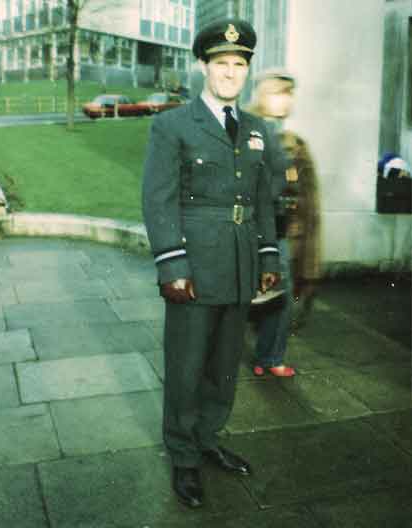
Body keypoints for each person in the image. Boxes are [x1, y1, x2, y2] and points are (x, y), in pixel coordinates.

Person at [142, 19, 289, 509]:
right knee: (186, 365)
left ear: (247, 72)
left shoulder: (256, 129)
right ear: (202, 66)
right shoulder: (173, 125)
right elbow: (157, 200)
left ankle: (208, 438)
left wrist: (268, 254)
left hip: (242, 261)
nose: (230, 73)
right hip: (195, 263)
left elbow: (265, 200)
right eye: (221, 63)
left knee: (225, 364)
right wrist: (171, 265)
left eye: (239, 65)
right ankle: (183, 457)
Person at [248, 69, 321, 377]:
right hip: (250, 229)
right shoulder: (249, 130)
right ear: (264, 94)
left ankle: (270, 357)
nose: (287, 100)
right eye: (280, 92)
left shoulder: (288, 138)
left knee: (280, 295)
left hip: (277, 229)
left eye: (290, 93)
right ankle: (267, 357)